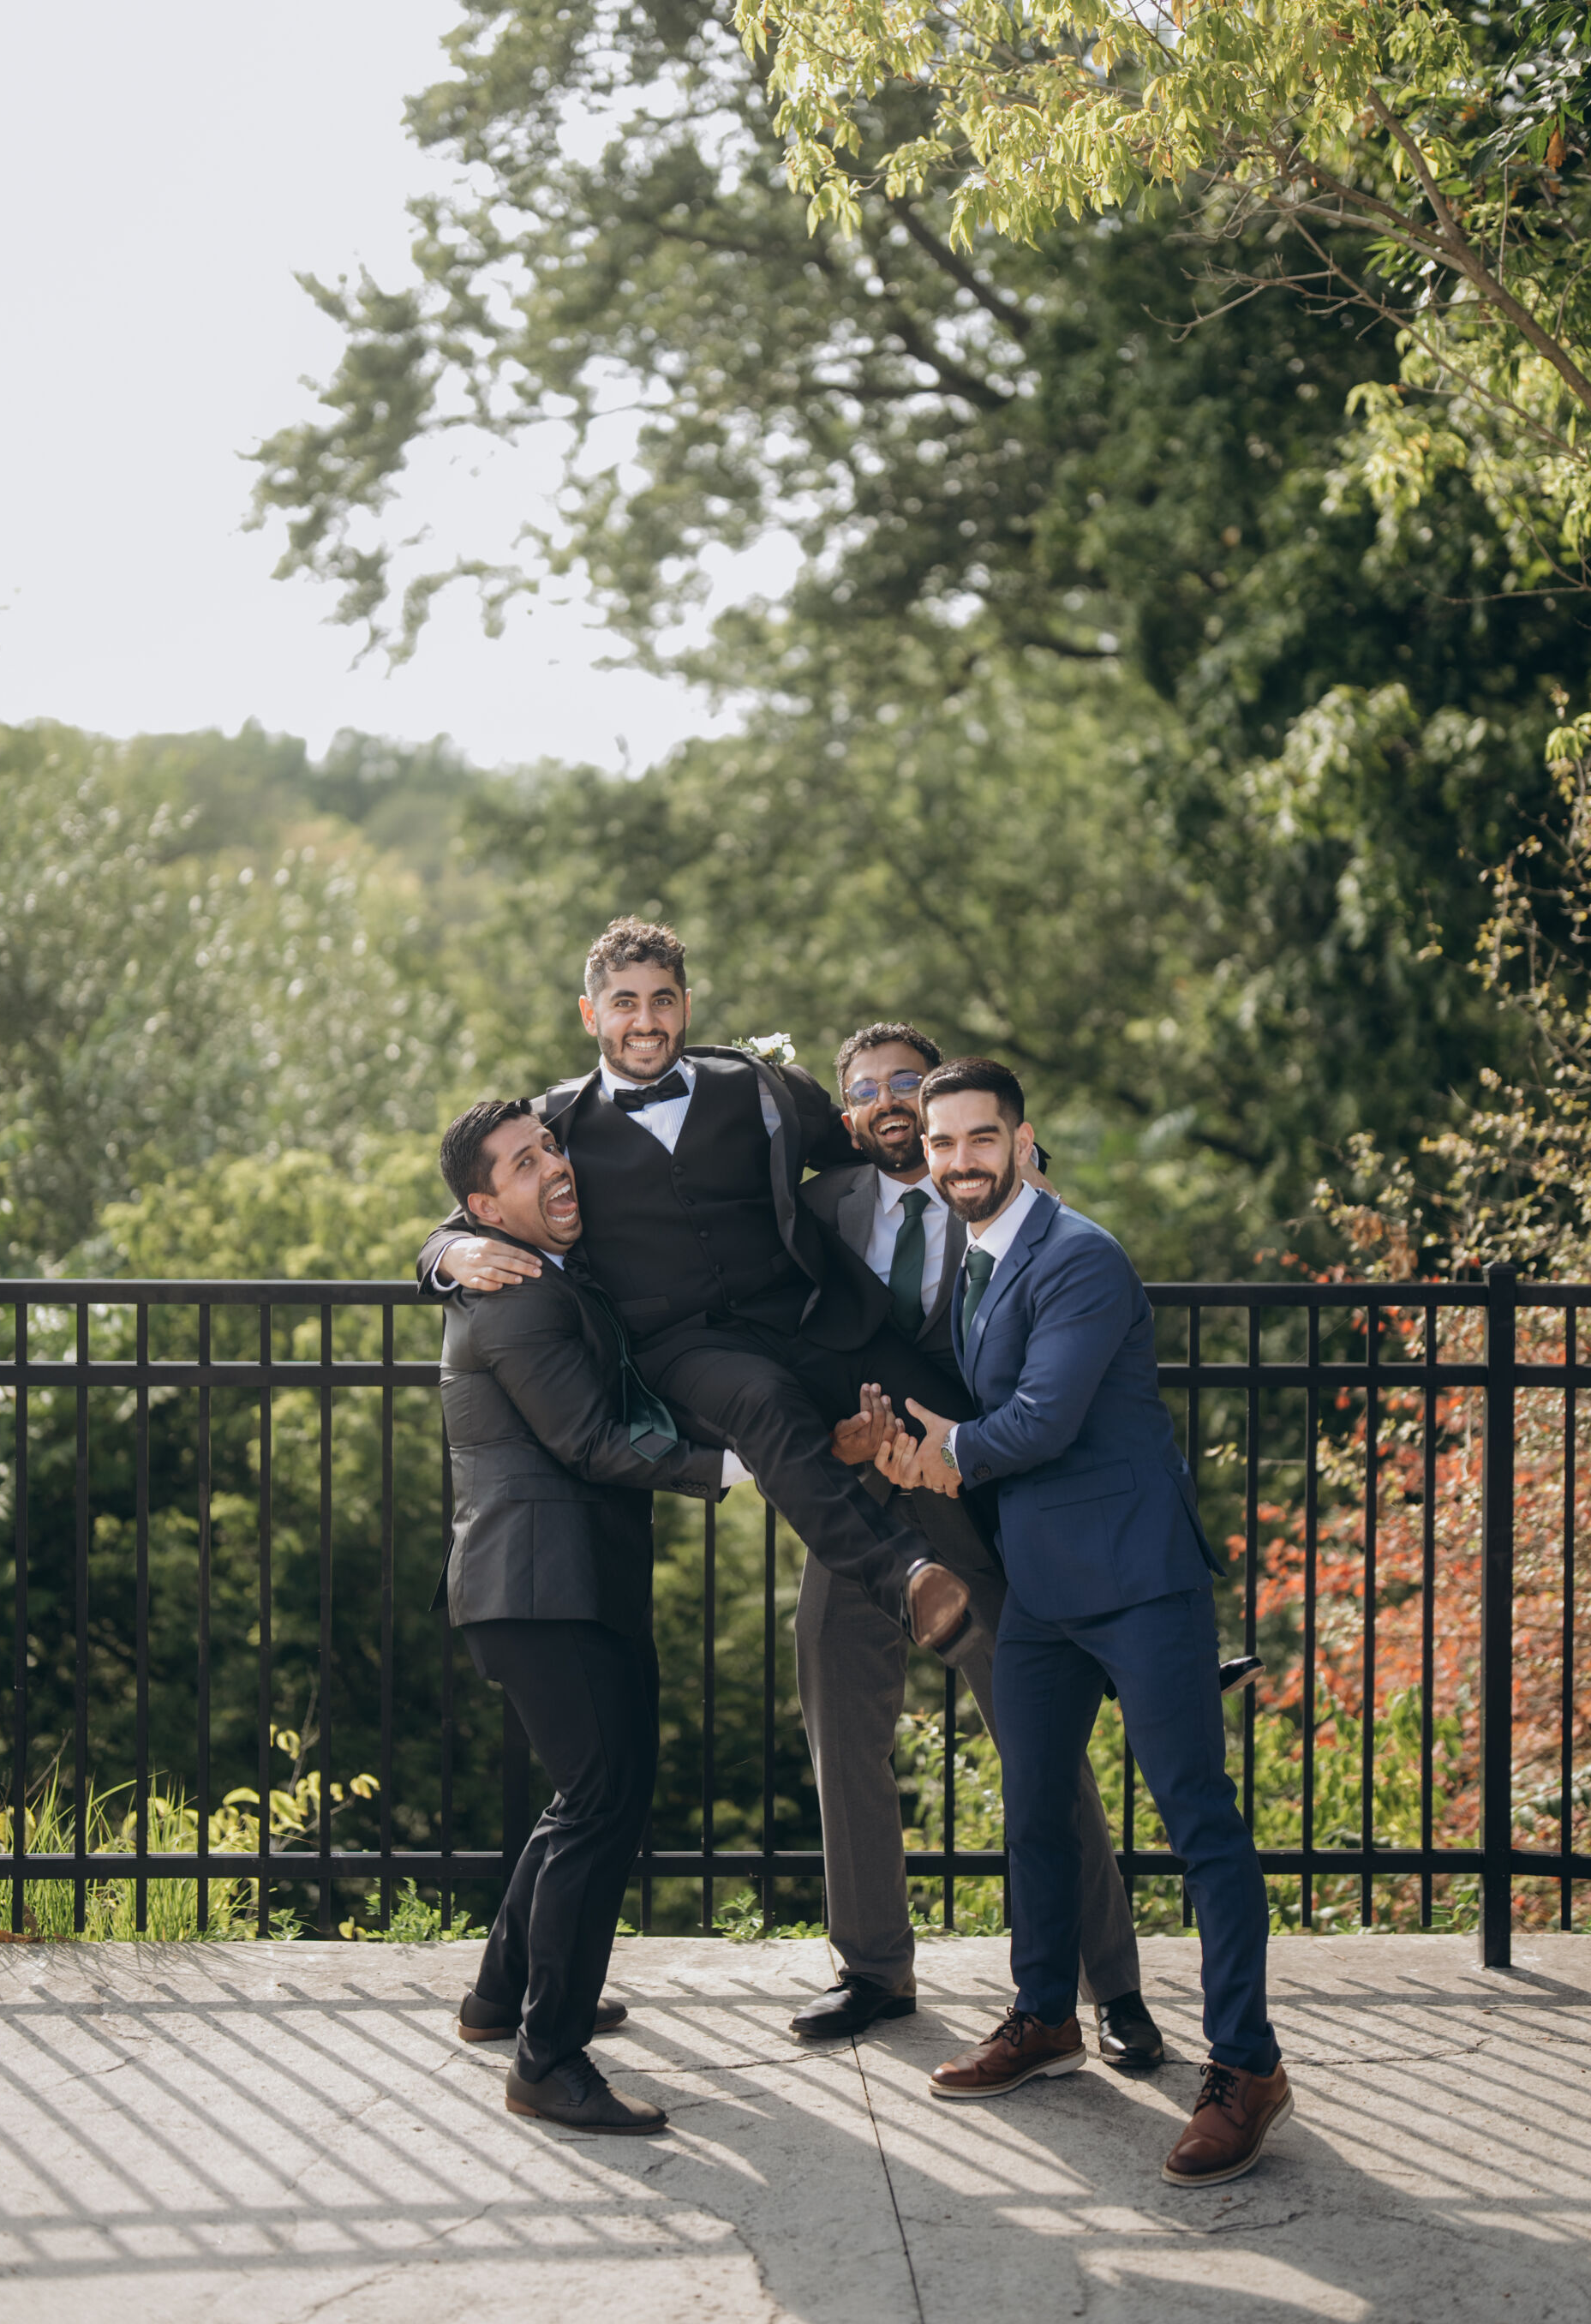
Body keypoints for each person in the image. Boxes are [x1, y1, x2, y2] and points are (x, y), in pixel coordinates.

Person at [884, 1057, 1294, 2189]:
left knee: (1199, 1823)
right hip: (1044, 1591)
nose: (959, 1159)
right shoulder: (972, 1259)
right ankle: (1044, 2017)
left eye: (980, 1138)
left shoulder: (1080, 1256)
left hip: (1139, 1577)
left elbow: (1043, 1420)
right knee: (1036, 1815)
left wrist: (944, 1456)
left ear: (1021, 1142)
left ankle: (1248, 2067)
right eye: (941, 1143)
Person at [421, 916, 972, 1662]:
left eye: (662, 1000)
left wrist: (1018, 1172)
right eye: (623, 1003)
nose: (645, 1021)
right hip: (683, 1350)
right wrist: (448, 1253)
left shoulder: (761, 1087)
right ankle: (905, 1578)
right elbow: (463, 1216)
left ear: (686, 1004)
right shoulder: (554, 1125)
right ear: (590, 1014)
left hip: (814, 1318)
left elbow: (882, 1142)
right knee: (765, 1404)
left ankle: (1071, 1597)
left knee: (955, 1417)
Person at [788, 1023, 1163, 2069]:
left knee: (1041, 1746)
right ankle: (873, 1970)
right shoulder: (816, 1208)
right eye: (867, 1087)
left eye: (908, 1080)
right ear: (847, 1113)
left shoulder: (1002, 1198)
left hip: (983, 1512)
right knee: (840, 1730)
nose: (889, 1099)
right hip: (857, 1514)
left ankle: (1114, 1987)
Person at [434, 1094, 742, 2136]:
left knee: (592, 1794)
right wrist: (740, 1466)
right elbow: (590, 1442)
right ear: (485, 1209)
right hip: (538, 1586)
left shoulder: (536, 1267)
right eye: (523, 1164)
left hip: (566, 1583)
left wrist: (440, 1249)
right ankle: (549, 2059)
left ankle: (502, 1997)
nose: (554, 1166)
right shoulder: (515, 1295)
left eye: (550, 1146)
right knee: (602, 1802)